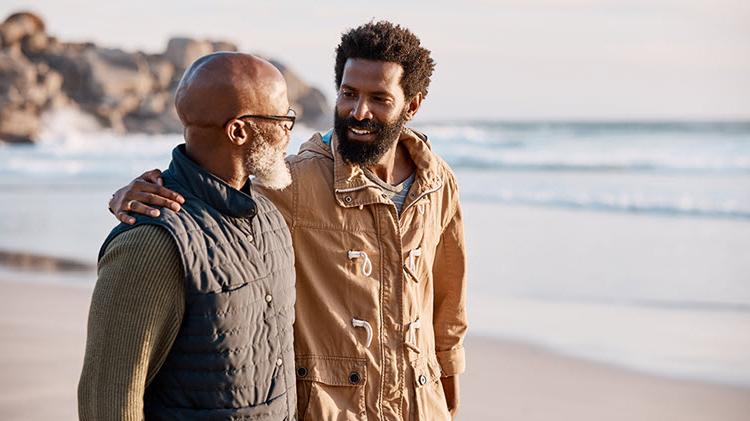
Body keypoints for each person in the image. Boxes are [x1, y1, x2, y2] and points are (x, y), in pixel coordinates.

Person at [110, 21, 467, 420]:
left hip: (423, 405)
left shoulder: (438, 183)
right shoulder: (296, 180)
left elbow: (449, 301)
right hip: (334, 410)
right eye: (349, 94)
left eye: (379, 98)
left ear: (412, 106)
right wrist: (132, 193)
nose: (358, 111)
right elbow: (214, 185)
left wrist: (447, 390)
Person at [78, 52, 298, 420]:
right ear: (239, 131)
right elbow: (108, 400)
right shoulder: (150, 243)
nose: (289, 132)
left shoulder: (271, 218)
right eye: (282, 119)